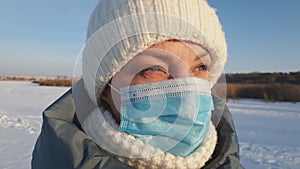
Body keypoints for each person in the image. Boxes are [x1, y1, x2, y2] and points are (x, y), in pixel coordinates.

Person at [32, 0, 244, 168]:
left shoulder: (224, 158)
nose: (187, 89)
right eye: (153, 69)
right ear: (105, 89)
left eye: (200, 68)